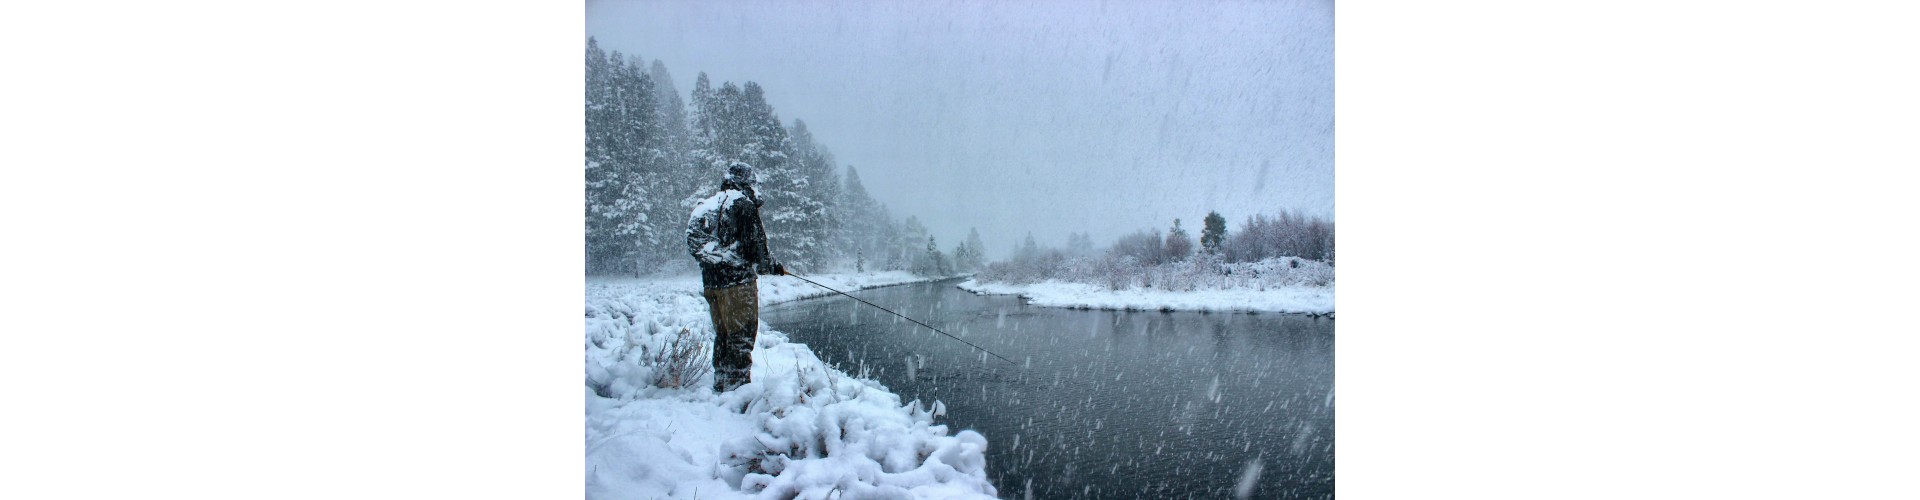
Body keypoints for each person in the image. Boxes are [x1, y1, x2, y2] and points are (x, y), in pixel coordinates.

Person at [686, 162, 785, 392]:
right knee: (741, 339)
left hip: (712, 286)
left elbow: (692, 241)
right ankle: (736, 391)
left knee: (723, 337)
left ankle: (721, 384)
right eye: (752, 183)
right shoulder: (743, 205)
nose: (754, 188)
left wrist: (717, 262)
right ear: (745, 182)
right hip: (738, 286)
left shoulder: (707, 206)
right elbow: (757, 250)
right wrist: (773, 266)